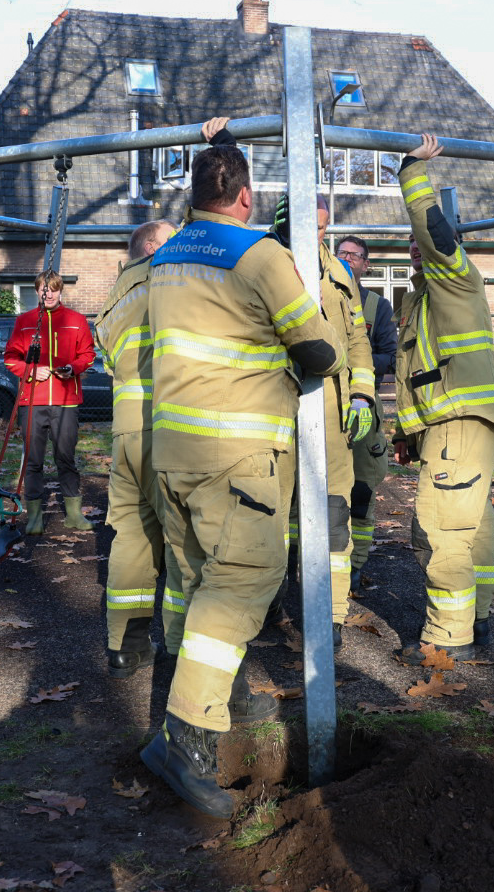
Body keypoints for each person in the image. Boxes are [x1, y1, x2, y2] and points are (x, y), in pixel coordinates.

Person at [140, 118, 346, 818]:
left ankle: (176, 713)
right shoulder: (259, 256)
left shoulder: (165, 258)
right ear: (247, 198)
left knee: (191, 583)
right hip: (237, 458)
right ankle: (188, 739)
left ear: (193, 194)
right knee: (240, 587)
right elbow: (319, 352)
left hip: (172, 452)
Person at [390, 134, 494, 665]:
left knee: (440, 531)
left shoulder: (455, 276)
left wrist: (411, 171)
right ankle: (476, 619)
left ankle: (447, 638)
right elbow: (416, 373)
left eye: (424, 241)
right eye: (410, 245)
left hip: (460, 421)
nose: (417, 246)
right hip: (457, 425)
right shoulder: (421, 299)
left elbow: (433, 230)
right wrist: (406, 434)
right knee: (473, 527)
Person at [275, 198, 375, 649]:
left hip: (333, 414)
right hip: (272, 409)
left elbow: (357, 341)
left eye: (319, 227)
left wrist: (362, 394)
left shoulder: (339, 274)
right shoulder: (261, 263)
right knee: (269, 515)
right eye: (302, 225)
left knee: (334, 514)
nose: (311, 235)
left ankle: (331, 616)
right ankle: (266, 605)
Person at [93, 219, 181, 678]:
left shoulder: (112, 299)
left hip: (125, 431)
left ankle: (125, 647)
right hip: (167, 425)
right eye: (171, 238)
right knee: (185, 539)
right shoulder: (165, 278)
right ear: (151, 246)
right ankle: (183, 649)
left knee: (131, 538)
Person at [3, 270, 95, 533]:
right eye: (44, 289)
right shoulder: (25, 321)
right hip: (32, 401)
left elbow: (88, 354)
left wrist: (73, 368)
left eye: (53, 288)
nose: (49, 293)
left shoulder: (77, 321)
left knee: (66, 458)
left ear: (60, 290)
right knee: (33, 460)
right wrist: (31, 371)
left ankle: (74, 515)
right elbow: (10, 358)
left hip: (66, 401)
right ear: (37, 291)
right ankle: (34, 518)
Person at [335, 235, 394, 590]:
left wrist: (353, 359)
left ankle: (356, 565)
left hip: (363, 410)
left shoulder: (378, 306)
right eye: (342, 253)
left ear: (365, 265)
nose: (349, 259)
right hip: (320, 410)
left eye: (356, 256)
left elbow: (389, 355)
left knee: (361, 490)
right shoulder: (316, 296)